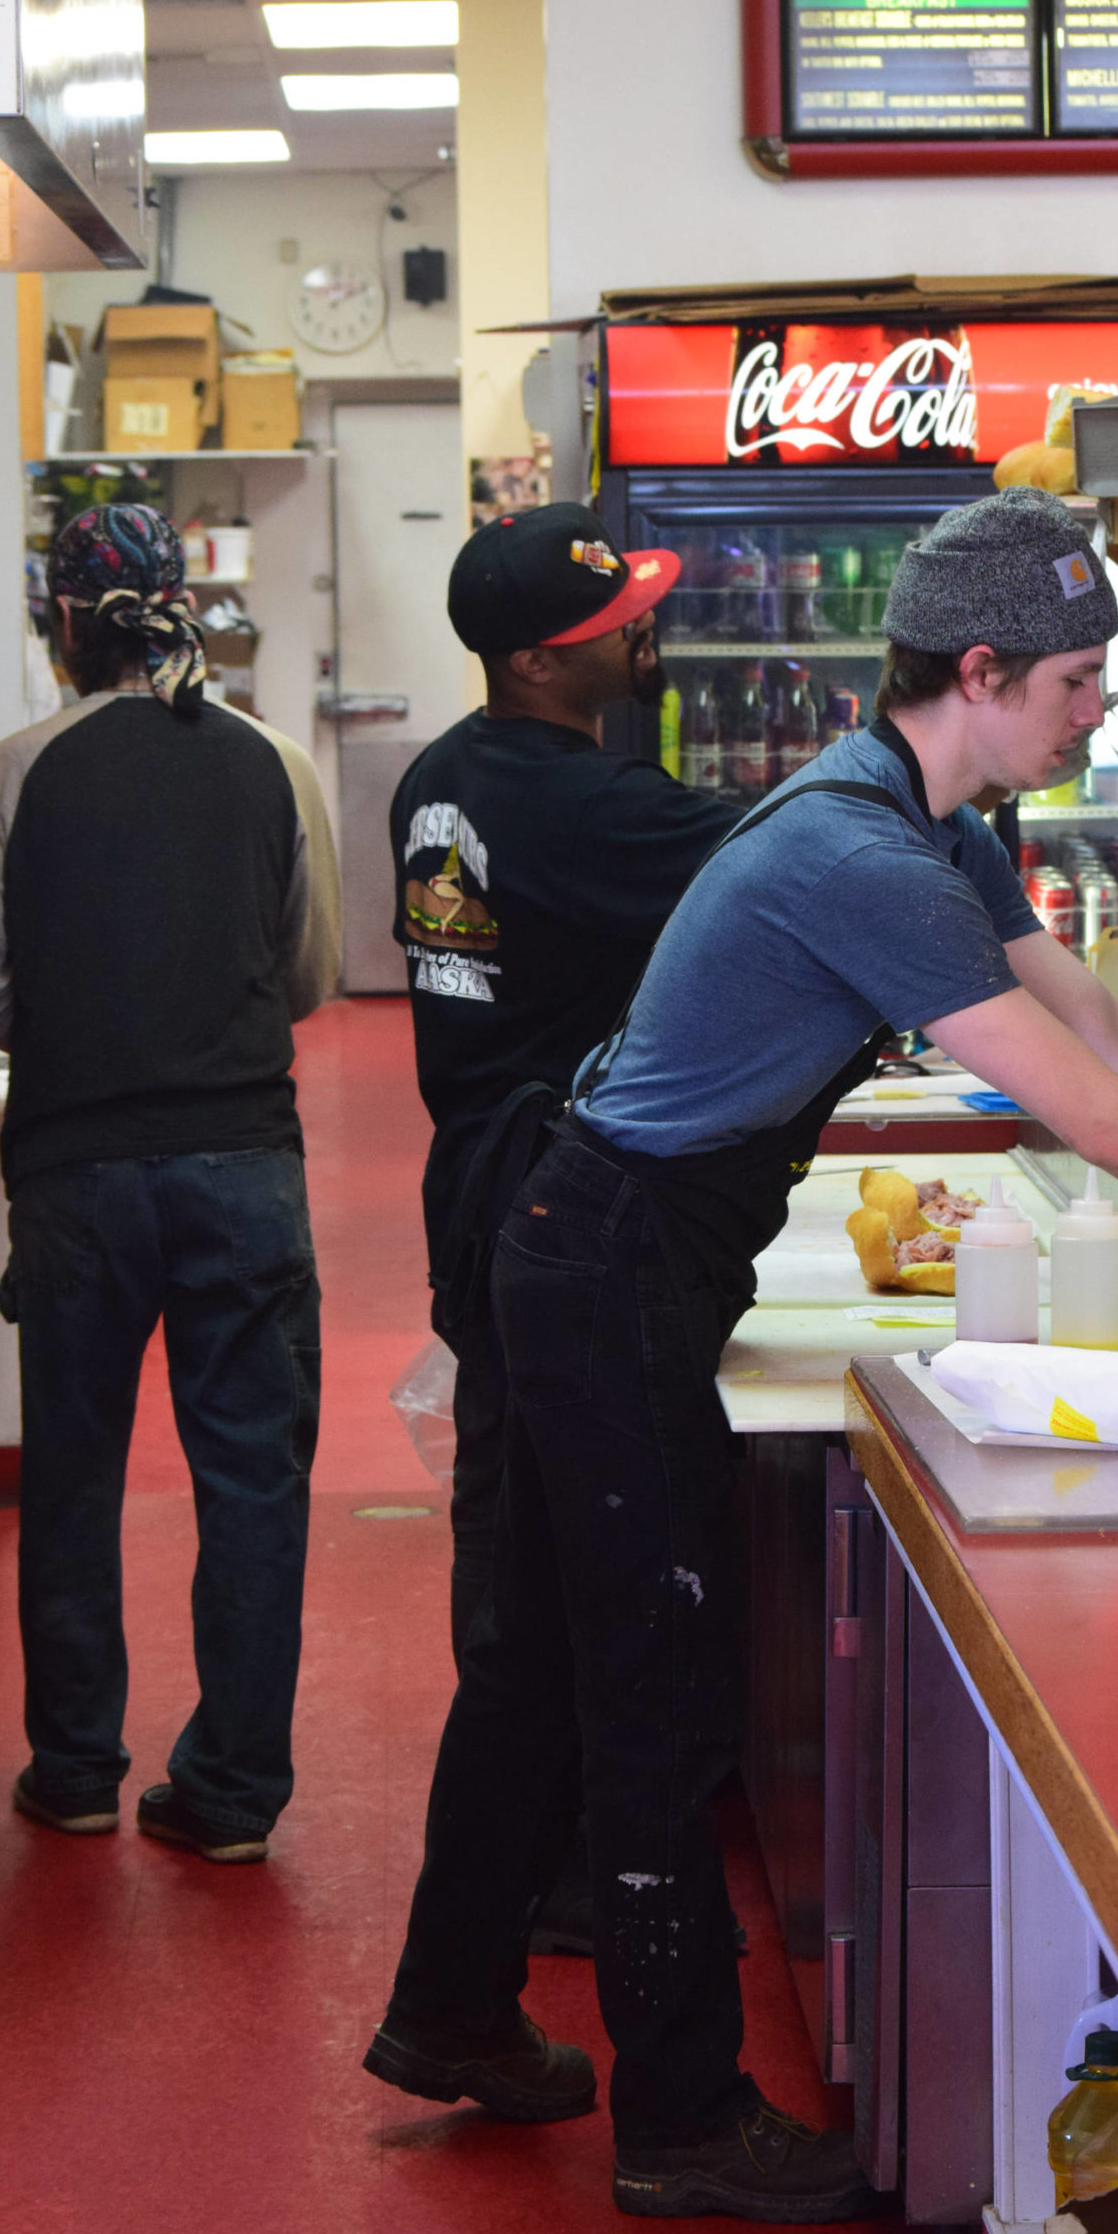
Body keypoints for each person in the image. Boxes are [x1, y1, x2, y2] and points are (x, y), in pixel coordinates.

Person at [365, 488, 1118, 2219]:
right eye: (1079, 678)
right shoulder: (857, 850)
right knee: (653, 1693)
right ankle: (680, 2121)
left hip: (612, 1247)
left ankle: (449, 2011)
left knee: (548, 1653)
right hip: (611, 1256)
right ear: (981, 672)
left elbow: (1109, 1033)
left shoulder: (936, 826)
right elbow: (1086, 1115)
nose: (1101, 709)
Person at [0, 504, 341, 1864]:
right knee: (250, 1481)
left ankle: (74, 1770)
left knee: (72, 1472)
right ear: (181, 609)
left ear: (62, 622)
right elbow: (306, 980)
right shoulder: (273, 762)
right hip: (245, 1169)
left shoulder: (15, 770)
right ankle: (229, 1796)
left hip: (74, 1174)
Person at [388, 504, 733, 1954]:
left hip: (472, 1180)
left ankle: (535, 1842)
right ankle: (573, 1856)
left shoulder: (442, 776)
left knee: (512, 1514)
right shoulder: (588, 805)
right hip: (557, 1203)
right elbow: (785, 867)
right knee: (573, 1544)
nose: (644, 634)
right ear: (536, 660)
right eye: (612, 624)